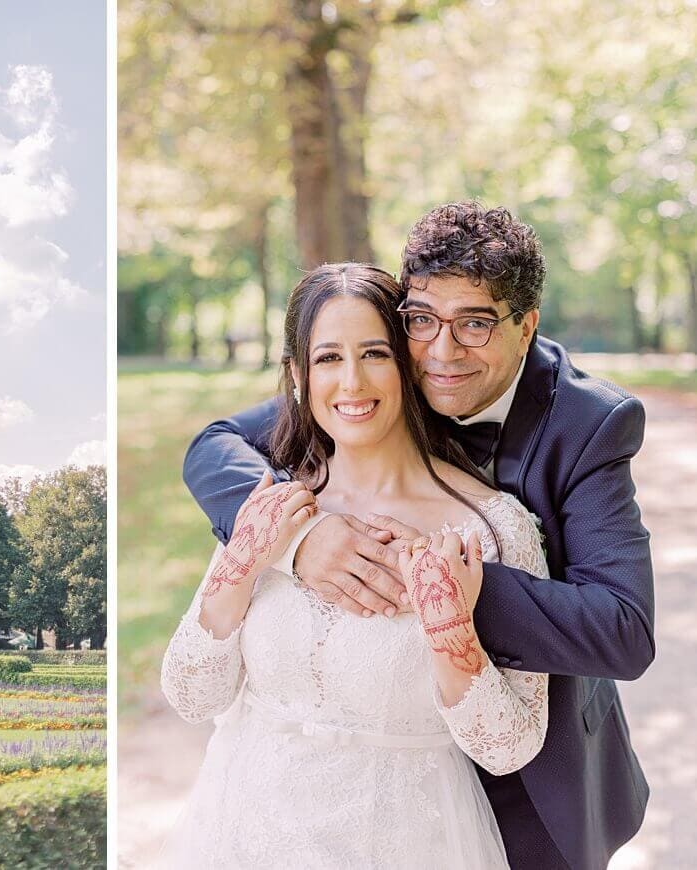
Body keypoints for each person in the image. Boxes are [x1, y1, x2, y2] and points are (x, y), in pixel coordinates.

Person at [182, 203, 653, 869]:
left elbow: (623, 630)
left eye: (477, 324)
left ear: (527, 328)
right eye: (422, 321)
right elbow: (215, 446)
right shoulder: (369, 374)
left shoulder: (589, 425)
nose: (440, 352)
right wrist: (301, 541)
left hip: (532, 786)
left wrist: (450, 584)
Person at [162, 263, 550, 868]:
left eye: (374, 353)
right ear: (296, 375)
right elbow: (192, 695)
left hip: (404, 839)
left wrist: (451, 632)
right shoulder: (273, 510)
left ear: (407, 363)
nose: (352, 381)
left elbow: (510, 747)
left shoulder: (494, 527)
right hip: (245, 828)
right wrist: (244, 561)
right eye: (327, 359)